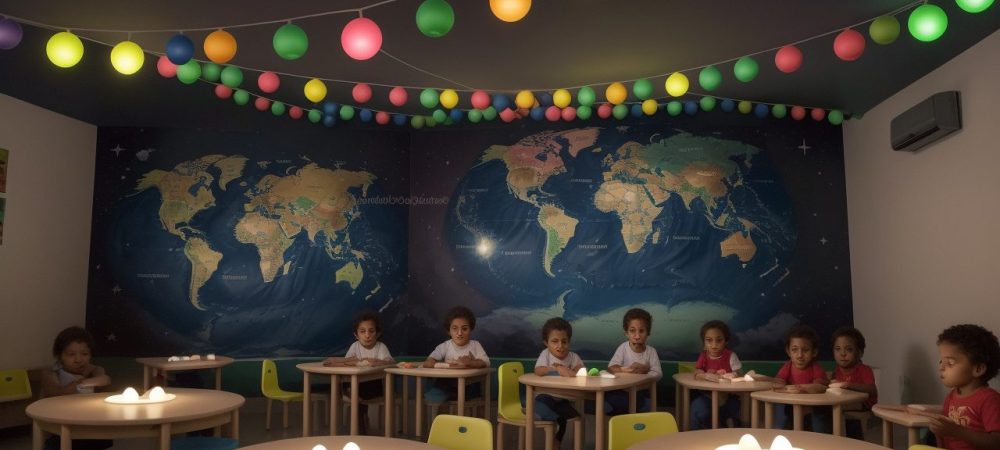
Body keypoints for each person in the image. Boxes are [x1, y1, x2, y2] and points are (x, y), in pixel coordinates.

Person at [40, 326, 112, 450]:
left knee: (100, 438)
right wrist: (79, 384)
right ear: (60, 355)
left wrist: (88, 380)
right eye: (71, 354)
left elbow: (105, 379)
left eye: (84, 354)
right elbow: (54, 394)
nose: (78, 360)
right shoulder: (52, 373)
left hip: (87, 423)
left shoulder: (93, 369)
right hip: (59, 425)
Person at [930, 324, 1000, 450]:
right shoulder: (951, 397)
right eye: (941, 362)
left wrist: (957, 431)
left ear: (978, 369)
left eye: (950, 363)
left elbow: (997, 442)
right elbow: (943, 436)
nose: (941, 368)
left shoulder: (990, 399)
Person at [323, 311, 394, 434]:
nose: (367, 335)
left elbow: (389, 362)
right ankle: (354, 402)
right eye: (362, 331)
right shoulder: (355, 346)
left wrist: (373, 361)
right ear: (356, 335)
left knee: (358, 398)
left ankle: (355, 401)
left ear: (377, 334)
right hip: (355, 384)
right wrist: (342, 362)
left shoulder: (380, 347)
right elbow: (348, 363)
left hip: (373, 386)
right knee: (344, 383)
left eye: (371, 331)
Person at [525, 318, 583, 444]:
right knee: (543, 404)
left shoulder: (573, 357)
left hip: (563, 399)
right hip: (546, 396)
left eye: (564, 341)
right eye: (555, 341)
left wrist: (575, 371)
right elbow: (538, 370)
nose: (560, 346)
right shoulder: (545, 355)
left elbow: (581, 371)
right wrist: (557, 367)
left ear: (569, 342)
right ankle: (537, 412)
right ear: (546, 342)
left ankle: (557, 437)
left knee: (573, 416)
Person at [769, 324, 830, 432]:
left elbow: (819, 387)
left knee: (819, 426)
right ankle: (777, 432)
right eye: (795, 350)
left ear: (814, 352)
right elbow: (777, 383)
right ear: (788, 352)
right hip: (792, 408)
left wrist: (797, 388)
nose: (800, 355)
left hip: (813, 409)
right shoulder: (788, 366)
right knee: (781, 417)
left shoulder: (816, 368)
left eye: (805, 350)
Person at [422, 306, 490, 404]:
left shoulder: (475, 345)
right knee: (439, 397)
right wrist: (448, 366)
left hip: (470, 386)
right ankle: (441, 414)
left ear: (471, 329)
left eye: (464, 329)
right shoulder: (445, 346)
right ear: (449, 331)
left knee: (476, 402)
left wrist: (470, 363)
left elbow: (486, 362)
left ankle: (474, 418)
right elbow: (428, 363)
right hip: (447, 385)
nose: (459, 333)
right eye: (455, 329)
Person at [605, 308, 661, 414]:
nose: (637, 336)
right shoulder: (623, 348)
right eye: (632, 331)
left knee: (642, 402)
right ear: (626, 333)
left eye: (642, 331)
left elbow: (658, 374)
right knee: (609, 398)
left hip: (642, 391)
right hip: (623, 390)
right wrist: (624, 370)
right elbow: (611, 368)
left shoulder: (651, 351)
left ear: (648, 333)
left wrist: (646, 370)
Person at [691, 320, 743, 429]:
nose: (714, 345)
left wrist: (731, 375)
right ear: (704, 343)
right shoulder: (704, 355)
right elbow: (697, 372)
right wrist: (705, 375)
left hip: (728, 396)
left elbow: (739, 373)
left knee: (735, 413)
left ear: (726, 341)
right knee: (699, 409)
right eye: (709, 340)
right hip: (708, 396)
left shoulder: (731, 356)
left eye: (719, 340)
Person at [829, 326, 878, 440]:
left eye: (849, 349)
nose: (843, 354)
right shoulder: (836, 371)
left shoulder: (864, 369)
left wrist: (849, 385)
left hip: (864, 404)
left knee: (838, 409)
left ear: (860, 353)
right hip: (843, 403)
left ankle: (853, 441)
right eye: (838, 349)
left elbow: (872, 389)